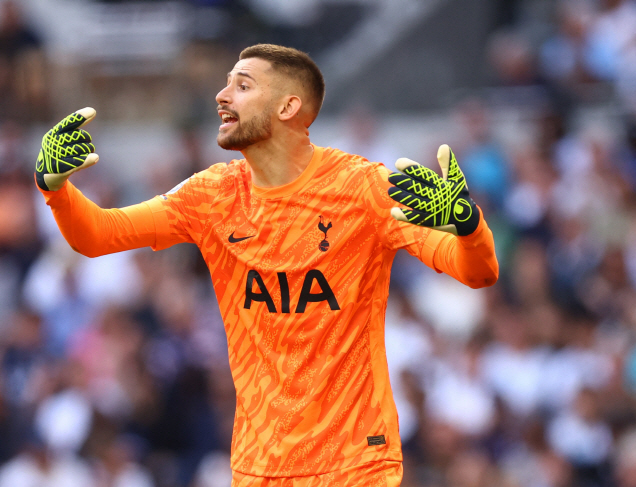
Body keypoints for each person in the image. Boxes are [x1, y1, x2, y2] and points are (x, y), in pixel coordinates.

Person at [35, 44, 499, 486]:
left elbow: (475, 272)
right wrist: (56, 188)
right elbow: (97, 235)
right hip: (260, 465)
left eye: (242, 85)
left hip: (355, 462)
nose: (221, 95)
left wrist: (467, 225)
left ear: (287, 107)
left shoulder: (363, 189)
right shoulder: (212, 195)